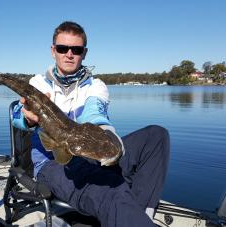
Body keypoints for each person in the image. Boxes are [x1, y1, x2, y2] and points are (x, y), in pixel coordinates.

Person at [12, 21, 170, 227]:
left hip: (91, 156)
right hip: (53, 165)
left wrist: (113, 148)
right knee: (110, 191)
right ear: (53, 51)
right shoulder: (38, 85)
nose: (69, 54)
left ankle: (140, 215)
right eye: (62, 48)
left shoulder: (96, 86)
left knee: (156, 136)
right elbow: (17, 115)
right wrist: (28, 119)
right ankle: (125, 213)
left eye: (76, 50)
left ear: (84, 53)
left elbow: (96, 117)